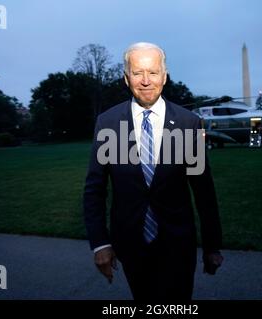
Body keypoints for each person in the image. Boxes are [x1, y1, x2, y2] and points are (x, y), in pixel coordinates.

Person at [83, 42, 223, 301]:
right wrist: (100, 243)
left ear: (164, 76)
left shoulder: (188, 123)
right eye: (138, 73)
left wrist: (212, 245)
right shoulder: (108, 122)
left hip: (178, 242)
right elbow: (95, 189)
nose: (146, 81)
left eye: (153, 72)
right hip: (131, 243)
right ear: (127, 78)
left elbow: (203, 190)